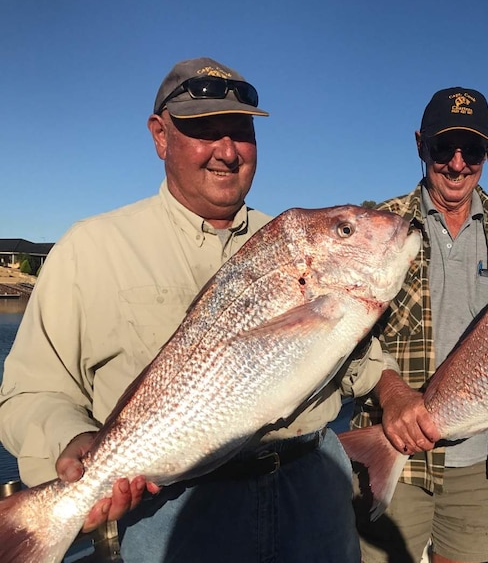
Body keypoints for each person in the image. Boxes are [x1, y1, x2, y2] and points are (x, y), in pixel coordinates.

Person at [0, 57, 386, 563]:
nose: (226, 151)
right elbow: (32, 391)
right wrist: (73, 441)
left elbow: (361, 361)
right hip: (177, 517)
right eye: (204, 130)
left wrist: (397, 392)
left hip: (314, 496)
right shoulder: (89, 248)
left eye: (240, 131)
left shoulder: (299, 240)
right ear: (160, 136)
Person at [350, 87, 488, 563]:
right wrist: (390, 392)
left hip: (481, 457)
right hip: (395, 443)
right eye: (443, 148)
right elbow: (341, 332)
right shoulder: (379, 224)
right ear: (420, 144)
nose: (457, 164)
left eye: (472, 149)